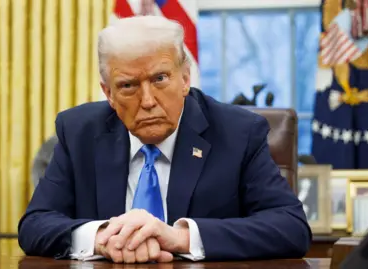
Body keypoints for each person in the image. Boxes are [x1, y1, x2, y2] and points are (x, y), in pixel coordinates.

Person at [18, 15, 311, 263]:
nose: (147, 101)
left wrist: (180, 238)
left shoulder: (237, 132)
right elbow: (34, 225)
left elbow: (290, 227)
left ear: (185, 79)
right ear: (108, 93)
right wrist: (102, 237)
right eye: (128, 85)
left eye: (160, 79)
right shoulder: (79, 131)